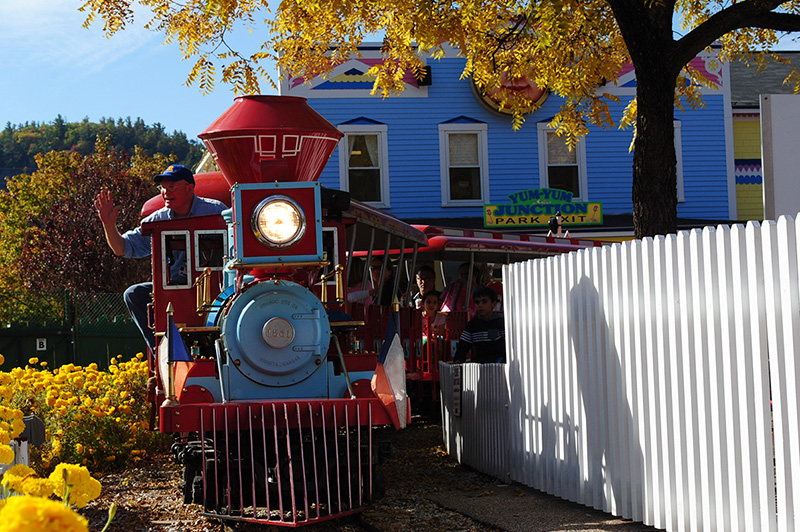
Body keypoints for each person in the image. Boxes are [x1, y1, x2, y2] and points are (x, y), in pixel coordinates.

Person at [94, 164, 227, 352]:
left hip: (215, 290)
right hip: (173, 290)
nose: (165, 192)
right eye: (163, 187)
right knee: (134, 294)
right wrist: (108, 224)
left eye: (172, 186)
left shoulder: (216, 212)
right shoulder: (157, 220)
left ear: (190, 188)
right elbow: (122, 248)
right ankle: (162, 353)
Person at [452, 287, 505, 364]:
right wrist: (458, 360)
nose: (480, 305)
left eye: (484, 302)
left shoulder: (501, 322)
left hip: (499, 364)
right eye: (477, 302)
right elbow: (463, 346)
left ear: (494, 304)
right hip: (480, 365)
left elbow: (508, 345)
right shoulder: (472, 324)